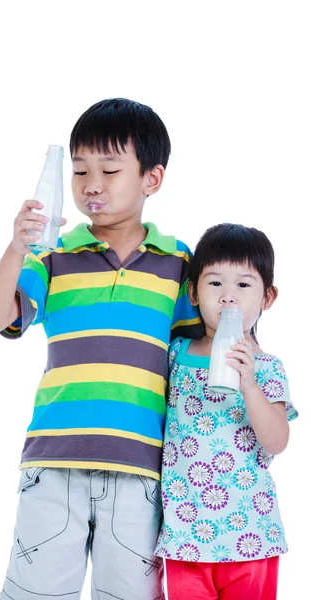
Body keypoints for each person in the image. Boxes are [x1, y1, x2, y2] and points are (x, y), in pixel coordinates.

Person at [0, 98, 202, 600]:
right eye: (79, 170)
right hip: (54, 462)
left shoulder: (179, 263)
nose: (91, 184)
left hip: (142, 468)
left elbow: (195, 361)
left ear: (152, 178)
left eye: (109, 169)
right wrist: (18, 248)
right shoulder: (52, 255)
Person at [155, 223, 298, 600]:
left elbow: (277, 441)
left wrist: (248, 381)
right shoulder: (176, 355)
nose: (228, 298)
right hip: (186, 534)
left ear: (267, 297)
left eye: (244, 285)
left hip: (250, 530)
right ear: (193, 293)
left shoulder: (267, 367)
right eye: (215, 284)